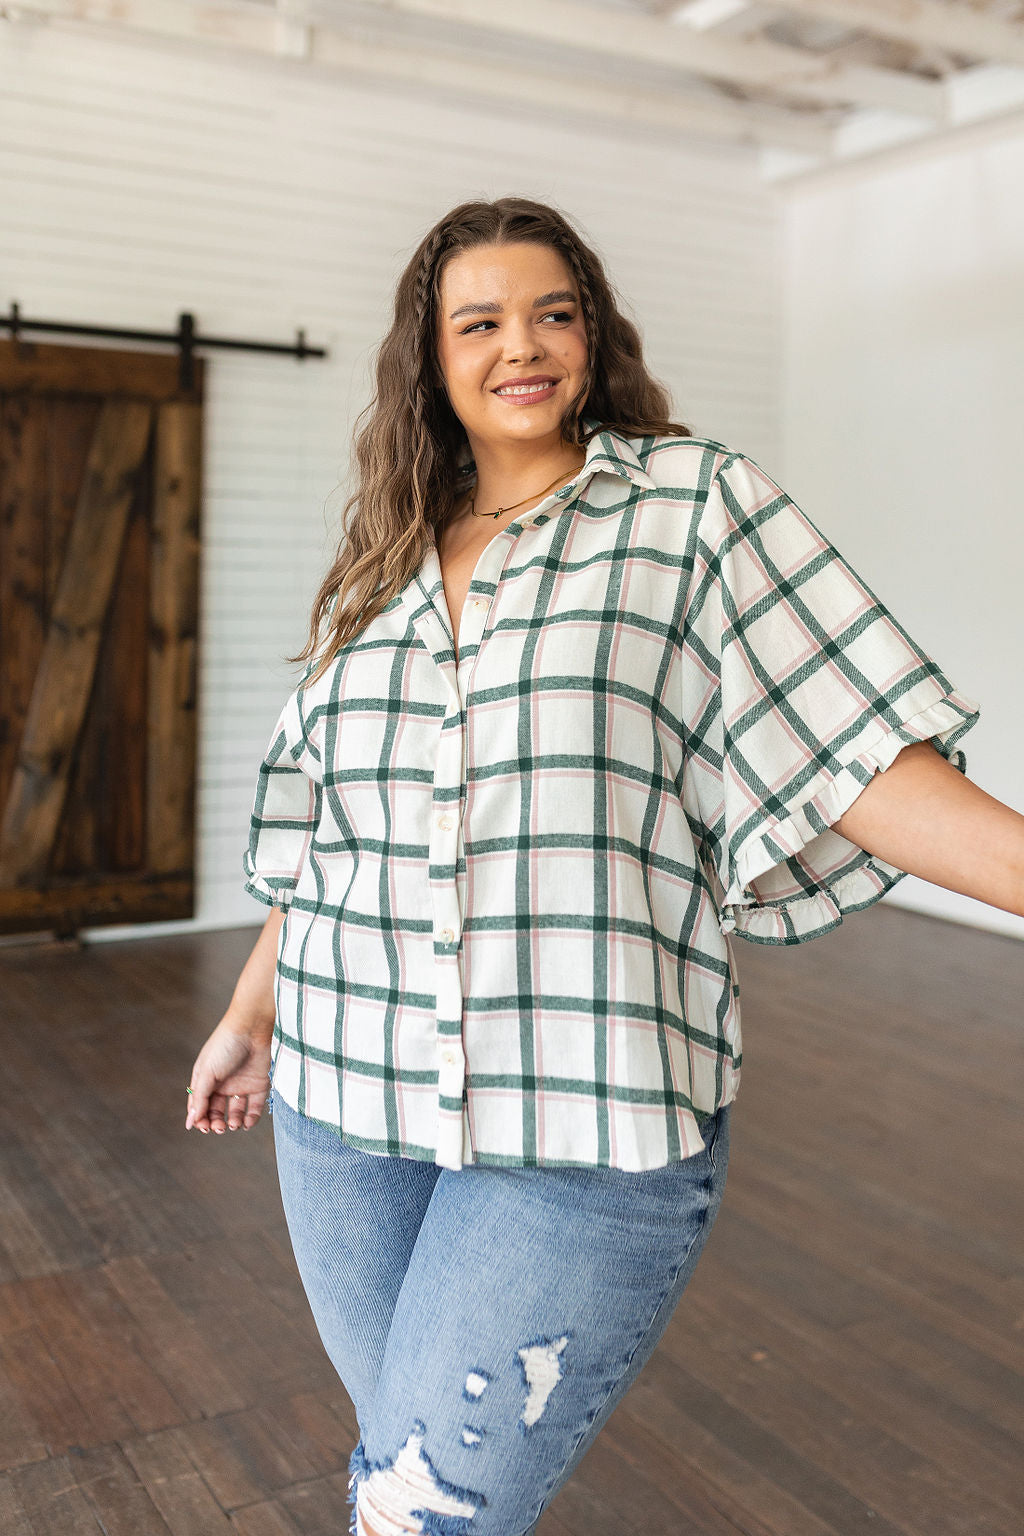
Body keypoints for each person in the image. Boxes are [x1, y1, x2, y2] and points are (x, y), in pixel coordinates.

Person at [185, 196, 1023, 1536]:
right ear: (431, 359)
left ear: (594, 337)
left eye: (553, 312)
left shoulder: (691, 509)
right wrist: (246, 1016)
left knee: (425, 1512)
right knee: (398, 1471)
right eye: (481, 321)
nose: (523, 345)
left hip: (584, 1120)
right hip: (337, 1100)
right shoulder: (386, 565)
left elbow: (858, 763)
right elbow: (338, 838)